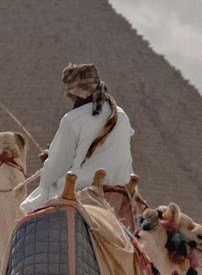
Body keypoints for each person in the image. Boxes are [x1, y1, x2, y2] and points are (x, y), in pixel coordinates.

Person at [21, 62, 134, 213]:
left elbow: (58, 165)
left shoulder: (73, 119)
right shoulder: (121, 115)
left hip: (81, 192)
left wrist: (47, 166)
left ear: (75, 93)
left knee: (31, 217)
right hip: (120, 193)